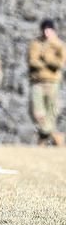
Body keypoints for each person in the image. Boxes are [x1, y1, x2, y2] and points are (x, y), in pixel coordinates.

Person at [27, 19, 65, 147]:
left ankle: (43, 139)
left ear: (53, 30)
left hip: (52, 82)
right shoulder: (36, 44)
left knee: (51, 112)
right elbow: (32, 61)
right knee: (36, 112)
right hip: (37, 81)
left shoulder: (58, 45)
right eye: (44, 29)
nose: (46, 32)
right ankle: (54, 135)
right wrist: (48, 63)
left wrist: (45, 59)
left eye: (48, 29)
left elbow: (59, 63)